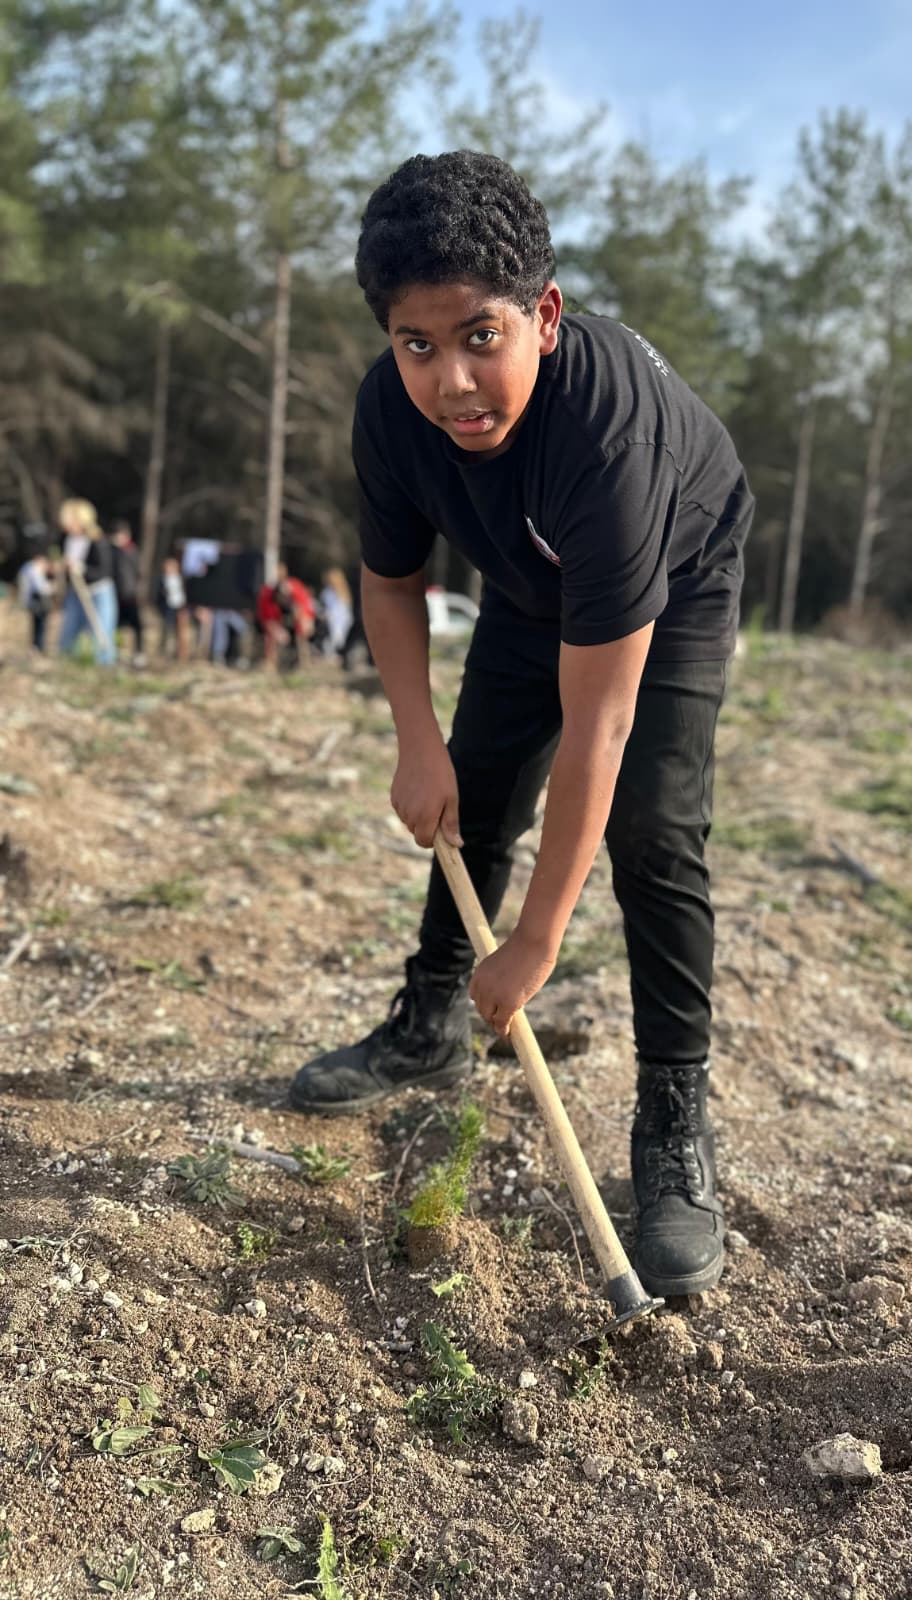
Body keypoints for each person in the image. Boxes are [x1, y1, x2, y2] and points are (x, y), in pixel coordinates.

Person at [288, 151, 753, 1300]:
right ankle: (430, 1022)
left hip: (674, 569)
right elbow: (391, 583)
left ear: (542, 316)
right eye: (417, 344)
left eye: (480, 336)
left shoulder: (610, 441)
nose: (451, 380)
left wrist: (538, 941)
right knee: (477, 783)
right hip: (529, 578)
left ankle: (674, 1123)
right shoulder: (390, 417)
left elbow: (598, 727)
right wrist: (416, 740)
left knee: (651, 825)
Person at [56, 498, 118, 665]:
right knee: (69, 628)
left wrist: (80, 568)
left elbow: (104, 571)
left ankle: (104, 665)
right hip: (75, 591)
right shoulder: (65, 539)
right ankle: (66, 661)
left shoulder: (97, 541)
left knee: (101, 630)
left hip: (98, 591)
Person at [257, 562, 315, 668]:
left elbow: (305, 606)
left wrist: (304, 618)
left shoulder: (295, 587)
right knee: (279, 637)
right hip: (276, 622)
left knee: (302, 630)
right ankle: (271, 664)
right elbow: (267, 616)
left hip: (294, 622)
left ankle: (305, 662)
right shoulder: (267, 591)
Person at [110, 520, 145, 664]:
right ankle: (118, 650)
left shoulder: (132, 551)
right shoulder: (113, 551)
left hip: (129, 594)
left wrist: (136, 590)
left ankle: (139, 653)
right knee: (116, 625)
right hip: (115, 594)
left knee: (136, 625)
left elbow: (137, 573)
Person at [16, 552, 55, 652]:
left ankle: (36, 646)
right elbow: (40, 588)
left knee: (36, 625)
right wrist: (52, 588)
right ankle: (38, 647)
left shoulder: (26, 568)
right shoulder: (33, 569)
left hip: (32, 600)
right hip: (38, 601)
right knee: (40, 626)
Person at [156, 556, 188, 658]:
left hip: (179, 607)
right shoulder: (162, 579)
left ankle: (179, 653)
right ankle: (163, 651)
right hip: (167, 607)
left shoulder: (180, 578)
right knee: (166, 629)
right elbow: (159, 595)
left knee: (179, 631)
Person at [319, 567, 353, 659]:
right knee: (332, 639)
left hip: (343, 620)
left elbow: (345, 609)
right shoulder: (326, 593)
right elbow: (325, 607)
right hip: (330, 620)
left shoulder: (343, 592)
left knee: (340, 639)